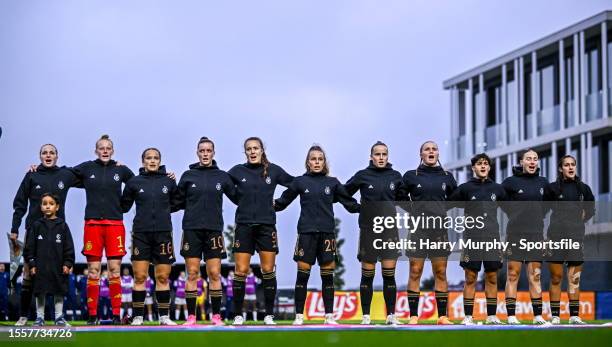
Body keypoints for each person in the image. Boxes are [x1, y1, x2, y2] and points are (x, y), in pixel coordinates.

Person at [275, 145, 360, 325]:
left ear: (324, 162)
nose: (317, 162)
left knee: (327, 276)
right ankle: (299, 316)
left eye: (320, 159)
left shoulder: (333, 183)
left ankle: (329, 316)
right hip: (306, 233)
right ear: (308, 162)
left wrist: (370, 208)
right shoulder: (299, 182)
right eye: (313, 159)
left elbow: (350, 204)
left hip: (327, 235)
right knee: (302, 276)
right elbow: (282, 203)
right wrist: (261, 204)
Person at [228, 137, 294, 325]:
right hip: (244, 226)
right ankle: (238, 315)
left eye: (256, 148)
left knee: (267, 270)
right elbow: (220, 183)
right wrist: (239, 201)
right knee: (240, 270)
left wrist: (280, 204)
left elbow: (295, 184)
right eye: (249, 149)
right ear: (245, 152)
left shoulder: (273, 170)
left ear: (262, 150)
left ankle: (269, 315)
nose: (252, 151)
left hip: (266, 226)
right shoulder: (237, 171)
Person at [11, 144, 79, 326]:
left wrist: (113, 165)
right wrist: (15, 228)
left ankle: (59, 316)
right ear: (40, 157)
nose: (48, 155)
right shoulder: (32, 175)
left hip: (58, 231)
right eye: (44, 153)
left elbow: (89, 175)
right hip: (34, 230)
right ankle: (24, 315)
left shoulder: (65, 174)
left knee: (57, 274)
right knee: (28, 273)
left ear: (57, 156)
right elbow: (19, 203)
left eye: (52, 152)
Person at [71, 135, 135, 325]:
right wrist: (39, 169)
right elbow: (64, 175)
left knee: (115, 271)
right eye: (101, 148)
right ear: (96, 150)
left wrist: (124, 206)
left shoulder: (120, 169)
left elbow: (137, 184)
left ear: (113, 151)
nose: (105, 151)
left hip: (115, 224)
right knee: (93, 271)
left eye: (108, 148)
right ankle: (92, 315)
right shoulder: (87, 167)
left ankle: (116, 314)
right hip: (92, 225)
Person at [175, 137, 237, 325]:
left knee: (215, 274)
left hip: (214, 231)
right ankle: (191, 317)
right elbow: (175, 201)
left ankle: (216, 316)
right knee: (192, 273)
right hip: (191, 229)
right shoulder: (188, 175)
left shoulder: (222, 176)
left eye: (208, 151)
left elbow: (238, 198)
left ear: (213, 152)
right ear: (197, 153)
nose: (205, 154)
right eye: (202, 151)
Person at [396, 141, 457, 325]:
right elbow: (399, 196)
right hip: (418, 229)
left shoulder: (447, 176)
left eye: (434, 149)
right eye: (427, 149)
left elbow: (455, 198)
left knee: (441, 272)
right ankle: (413, 316)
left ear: (438, 154)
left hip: (439, 229)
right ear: (421, 154)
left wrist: (441, 210)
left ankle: (442, 317)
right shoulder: (410, 176)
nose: (431, 151)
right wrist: (413, 211)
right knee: (415, 271)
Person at [344, 141, 403, 325]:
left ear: (388, 156)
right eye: (377, 154)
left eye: (384, 154)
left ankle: (391, 315)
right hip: (369, 230)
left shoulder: (396, 176)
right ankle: (366, 316)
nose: (381, 157)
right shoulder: (363, 176)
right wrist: (356, 208)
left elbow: (405, 201)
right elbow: (343, 193)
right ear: (371, 156)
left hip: (390, 230)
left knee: (389, 275)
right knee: (367, 276)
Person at [121, 147, 180, 326]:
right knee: (139, 277)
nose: (152, 161)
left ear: (160, 161)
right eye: (149, 158)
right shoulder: (134, 182)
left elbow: (177, 203)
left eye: (156, 158)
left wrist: (161, 212)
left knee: (162, 277)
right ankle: (138, 316)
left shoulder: (169, 182)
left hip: (163, 233)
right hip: (141, 234)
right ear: (143, 161)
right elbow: (123, 206)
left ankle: (164, 317)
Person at [448, 153, 507, 325]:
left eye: (486, 164)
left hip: (492, 238)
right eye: (479, 164)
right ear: (473, 167)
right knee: (470, 277)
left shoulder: (498, 189)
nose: (483, 166)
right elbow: (446, 203)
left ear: (489, 167)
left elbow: (513, 210)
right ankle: (468, 316)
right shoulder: (465, 188)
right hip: (471, 238)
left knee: (492, 277)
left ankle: (492, 316)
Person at [544, 155, 595, 325]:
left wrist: (583, 217)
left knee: (574, 279)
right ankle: (556, 316)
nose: (571, 167)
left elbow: (591, 210)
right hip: (555, 236)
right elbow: (542, 211)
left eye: (573, 164)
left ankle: (574, 315)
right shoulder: (552, 189)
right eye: (567, 165)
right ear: (561, 169)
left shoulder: (584, 189)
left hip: (576, 237)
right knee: (556, 277)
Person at [502, 149, 550, 325]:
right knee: (512, 275)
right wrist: (515, 215)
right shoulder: (509, 183)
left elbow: (546, 208)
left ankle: (537, 316)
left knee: (534, 276)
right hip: (515, 233)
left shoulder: (544, 183)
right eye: (528, 159)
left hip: (536, 234)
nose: (532, 162)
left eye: (535, 159)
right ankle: (511, 316)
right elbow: (501, 203)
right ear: (521, 161)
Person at [25, 193, 75, 326]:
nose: (48, 206)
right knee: (40, 291)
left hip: (58, 267)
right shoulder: (36, 225)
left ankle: (59, 317)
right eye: (44, 203)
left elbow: (68, 248)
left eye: (51, 204)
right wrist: (32, 264)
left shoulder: (63, 225)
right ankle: (39, 317)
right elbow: (30, 248)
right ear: (41, 207)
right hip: (40, 267)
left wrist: (67, 263)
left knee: (58, 291)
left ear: (57, 207)